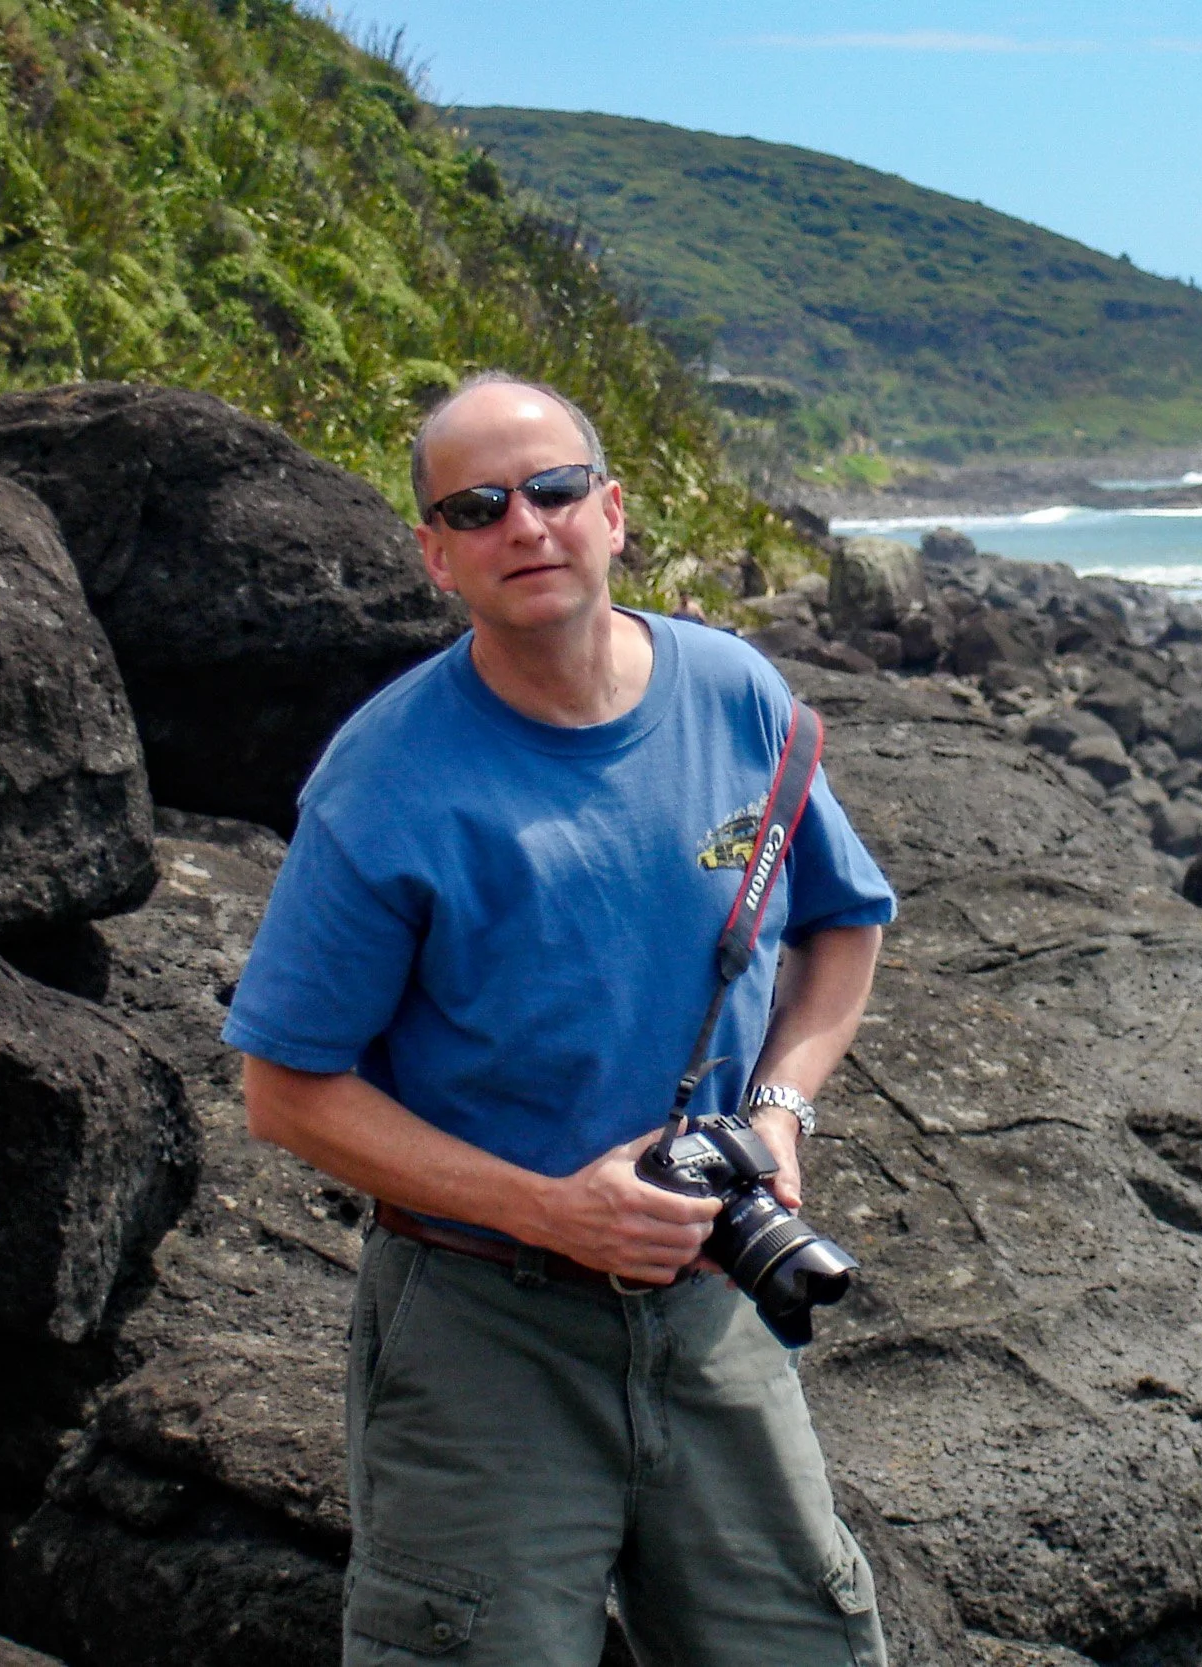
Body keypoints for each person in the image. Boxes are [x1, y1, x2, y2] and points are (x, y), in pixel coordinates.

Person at [226, 372, 896, 1666]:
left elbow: (843, 925)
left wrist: (780, 1112)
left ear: (614, 511)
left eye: (553, 489)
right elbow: (285, 1090)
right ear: (435, 555)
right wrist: (552, 1208)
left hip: (714, 1300)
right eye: (477, 507)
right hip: (486, 1319)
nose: (524, 526)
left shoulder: (733, 694)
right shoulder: (386, 779)